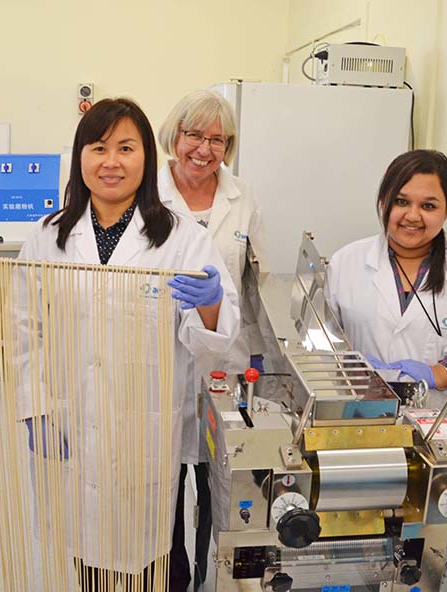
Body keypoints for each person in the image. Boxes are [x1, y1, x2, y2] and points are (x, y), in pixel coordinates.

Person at [17, 97, 240, 590]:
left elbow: (216, 339)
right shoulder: (47, 236)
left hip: (146, 429)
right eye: (98, 148)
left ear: (146, 158)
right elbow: (22, 330)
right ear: (80, 158)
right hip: (69, 420)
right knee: (84, 554)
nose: (111, 162)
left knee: (153, 562)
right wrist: (35, 408)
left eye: (125, 148)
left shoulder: (182, 239)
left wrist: (210, 303)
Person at [157, 89, 268, 591]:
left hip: (224, 363)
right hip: (159, 359)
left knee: (218, 487)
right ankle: (169, 577)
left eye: (216, 139)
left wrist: (264, 360)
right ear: (174, 136)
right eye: (193, 135)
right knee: (162, 489)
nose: (203, 148)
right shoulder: (146, 191)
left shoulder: (243, 198)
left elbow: (254, 283)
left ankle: (206, 579)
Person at [325, 150, 447, 419]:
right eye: (401, 201)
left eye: (428, 206)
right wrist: (347, 366)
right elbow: (324, 339)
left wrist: (438, 374)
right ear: (383, 202)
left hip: (434, 424)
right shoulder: (346, 262)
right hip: (356, 415)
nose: (412, 216)